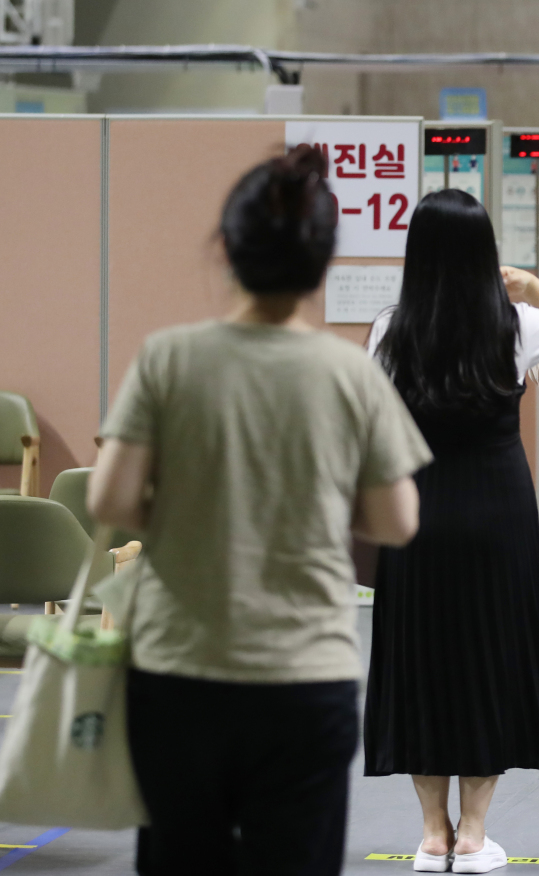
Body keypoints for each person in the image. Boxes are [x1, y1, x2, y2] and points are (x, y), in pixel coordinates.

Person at [86, 146, 432, 876]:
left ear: (227, 249)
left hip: (180, 671)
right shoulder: (348, 374)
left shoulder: (169, 358)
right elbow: (398, 522)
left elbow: (110, 498)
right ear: (324, 259)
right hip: (304, 676)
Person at [363, 190, 539, 874]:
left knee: (422, 664)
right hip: (498, 512)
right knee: (492, 659)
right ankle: (474, 835)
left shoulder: (389, 329)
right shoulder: (517, 324)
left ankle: (431, 834)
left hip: (418, 510)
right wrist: (534, 287)